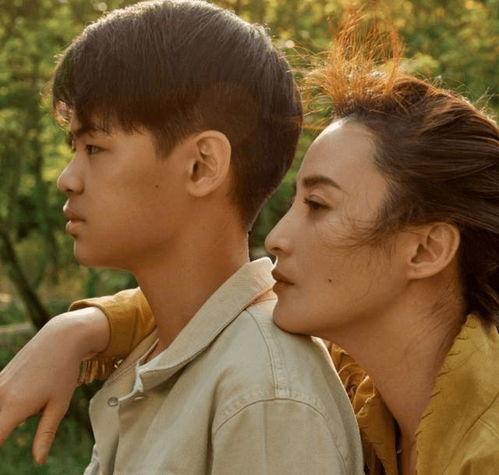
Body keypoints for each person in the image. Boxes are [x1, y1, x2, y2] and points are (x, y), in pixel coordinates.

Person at [2, 8, 499, 475]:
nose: (276, 238)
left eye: (318, 205)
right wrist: (83, 327)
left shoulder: (273, 392)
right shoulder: (368, 386)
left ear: (426, 250)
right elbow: (215, 307)